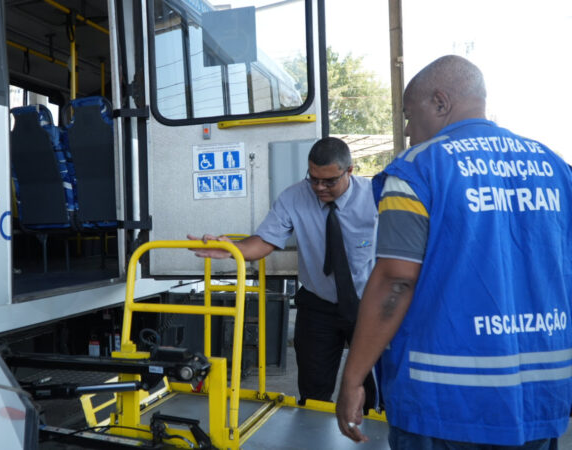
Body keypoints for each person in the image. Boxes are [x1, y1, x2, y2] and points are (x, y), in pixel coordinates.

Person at [336, 54, 572, 448]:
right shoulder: (557, 169)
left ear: (440, 102)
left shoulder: (417, 170)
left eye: (409, 115)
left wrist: (353, 377)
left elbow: (396, 281)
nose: (408, 129)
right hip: (539, 400)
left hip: (443, 402)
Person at [189, 136, 379, 411]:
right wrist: (232, 250)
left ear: (349, 171)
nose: (319, 187)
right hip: (318, 304)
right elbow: (264, 241)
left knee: (376, 386)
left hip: (368, 302)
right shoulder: (294, 197)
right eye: (313, 179)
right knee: (313, 391)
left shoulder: (375, 197)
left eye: (329, 181)